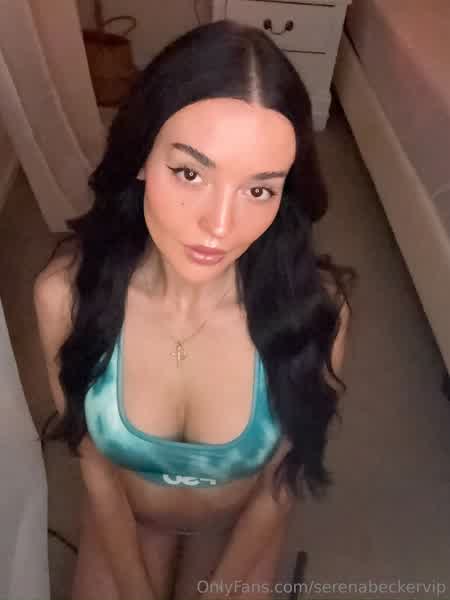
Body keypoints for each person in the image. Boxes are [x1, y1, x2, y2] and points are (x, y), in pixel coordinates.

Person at [34, 19, 357, 600]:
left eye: (258, 189)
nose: (220, 226)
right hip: (129, 520)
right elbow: (97, 472)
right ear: (140, 156)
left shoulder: (313, 311)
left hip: (236, 529)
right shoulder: (65, 296)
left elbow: (279, 485)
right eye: (189, 173)